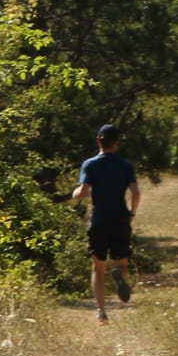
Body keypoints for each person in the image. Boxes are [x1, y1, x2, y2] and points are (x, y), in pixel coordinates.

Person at [70, 123, 139, 323]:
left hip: (99, 220)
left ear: (98, 140)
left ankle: (101, 312)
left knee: (98, 268)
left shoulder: (90, 164)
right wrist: (132, 213)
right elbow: (135, 193)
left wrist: (73, 195)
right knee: (121, 262)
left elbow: (82, 192)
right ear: (117, 143)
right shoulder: (125, 165)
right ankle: (119, 276)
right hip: (120, 219)